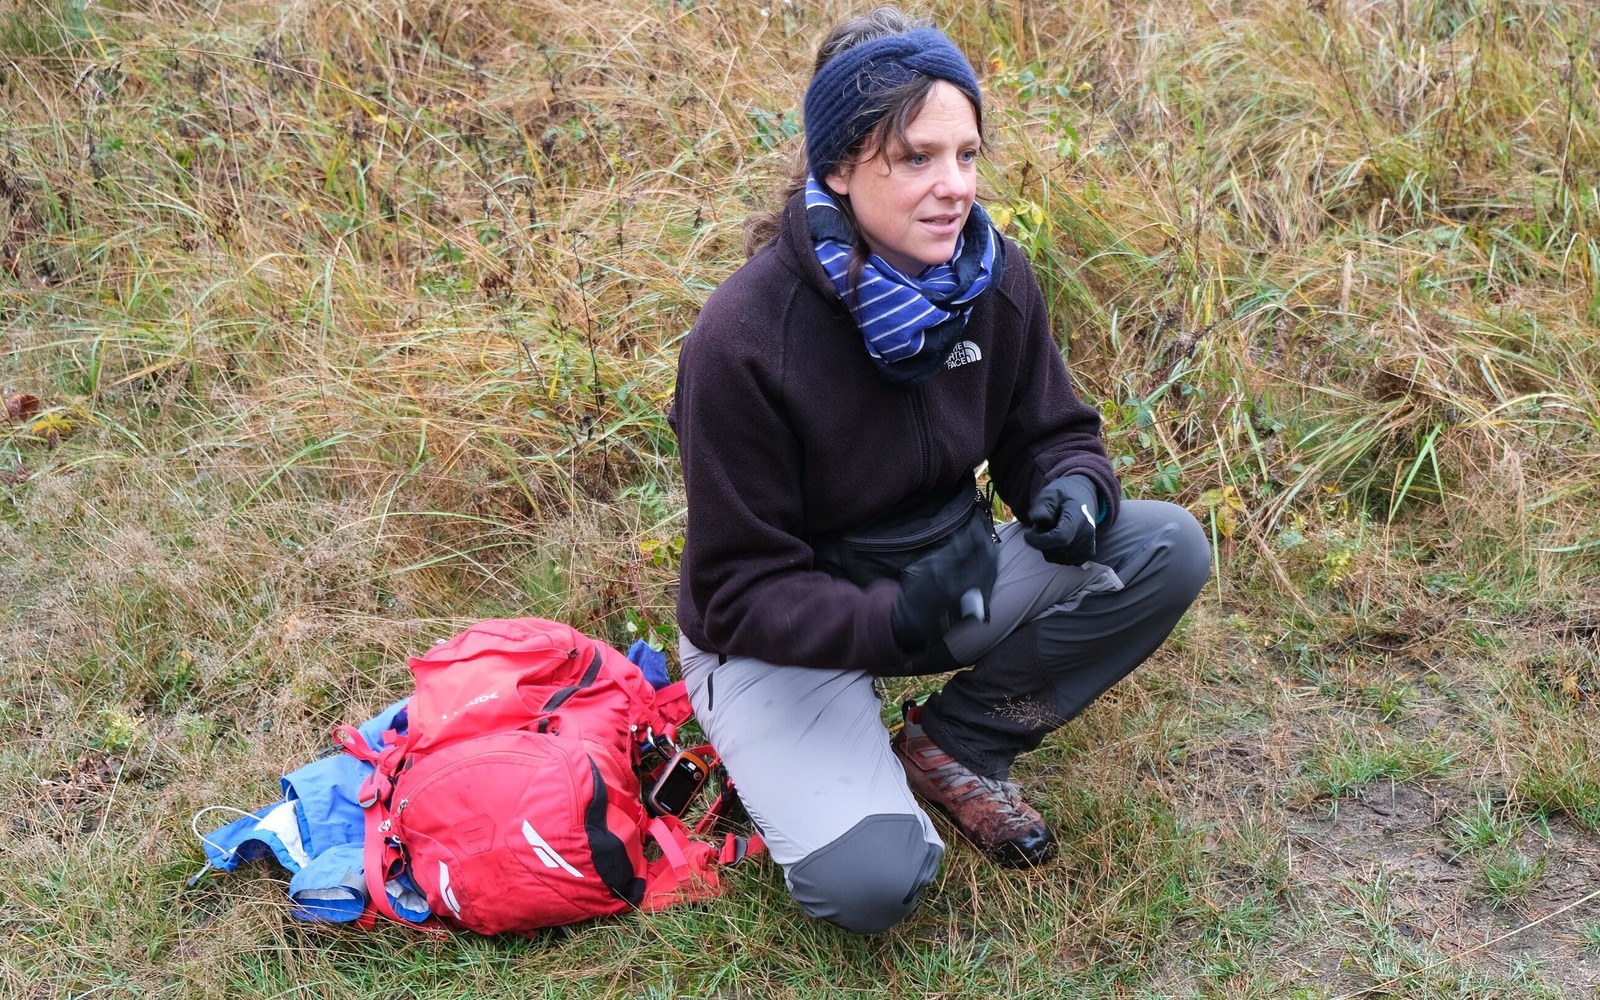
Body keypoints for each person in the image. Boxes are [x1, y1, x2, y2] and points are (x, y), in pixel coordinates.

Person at [668, 6, 1210, 935]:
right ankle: (832, 764)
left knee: (1165, 545)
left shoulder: (993, 277)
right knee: (872, 885)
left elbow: (1052, 432)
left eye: (966, 155)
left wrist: (1071, 488)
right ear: (838, 167)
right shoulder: (744, 340)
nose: (953, 187)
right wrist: (890, 616)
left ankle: (954, 743)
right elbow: (736, 591)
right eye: (916, 158)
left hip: (946, 585)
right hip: (781, 638)